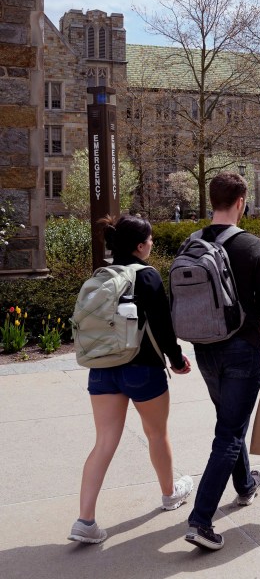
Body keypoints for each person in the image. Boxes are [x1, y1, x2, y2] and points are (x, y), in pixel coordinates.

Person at [184, 172, 260, 551]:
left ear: (212, 200)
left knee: (229, 421)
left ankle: (245, 485)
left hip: (204, 350)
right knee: (229, 434)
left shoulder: (191, 243)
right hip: (242, 350)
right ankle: (200, 521)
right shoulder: (250, 245)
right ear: (240, 203)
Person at [68, 215, 193, 545]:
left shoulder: (102, 275)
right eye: (150, 240)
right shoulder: (147, 276)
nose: (152, 244)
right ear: (139, 246)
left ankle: (85, 520)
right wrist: (178, 361)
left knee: (104, 441)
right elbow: (164, 329)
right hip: (143, 368)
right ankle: (170, 494)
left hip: (102, 368)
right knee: (156, 433)